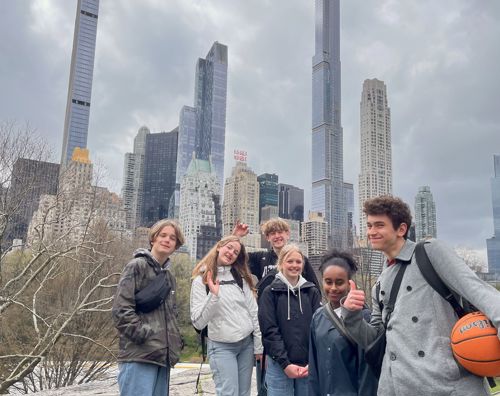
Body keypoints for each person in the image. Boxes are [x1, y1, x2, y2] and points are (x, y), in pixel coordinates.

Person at [342, 195, 500, 396]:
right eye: (369, 225)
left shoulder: (429, 252)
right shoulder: (379, 283)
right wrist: (351, 315)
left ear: (401, 229)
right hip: (395, 388)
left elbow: (478, 291)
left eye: (379, 225)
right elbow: (374, 339)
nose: (371, 232)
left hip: (445, 386)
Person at [112, 219, 185, 396]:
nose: (167, 240)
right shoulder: (137, 266)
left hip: (162, 358)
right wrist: (143, 334)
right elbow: (121, 309)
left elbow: (171, 316)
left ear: (176, 245)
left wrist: (175, 343)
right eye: (163, 235)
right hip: (139, 354)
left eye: (172, 238)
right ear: (153, 239)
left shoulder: (169, 277)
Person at [190, 235, 263, 396]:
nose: (231, 253)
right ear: (219, 246)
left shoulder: (240, 278)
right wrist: (213, 296)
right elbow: (198, 323)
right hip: (221, 347)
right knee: (228, 393)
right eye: (229, 247)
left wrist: (258, 345)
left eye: (236, 252)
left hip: (246, 345)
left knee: (244, 393)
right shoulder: (200, 280)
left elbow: (254, 312)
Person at [308, 250, 378, 396]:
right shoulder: (318, 317)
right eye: (328, 282)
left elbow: (367, 373)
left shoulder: (363, 318)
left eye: (339, 282)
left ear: (349, 283)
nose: (333, 288)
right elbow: (314, 368)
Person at [258, 244, 321, 396]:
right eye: (290, 261)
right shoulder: (269, 292)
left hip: (307, 365)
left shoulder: (311, 291)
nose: (294, 265)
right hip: (279, 364)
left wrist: (312, 362)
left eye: (298, 262)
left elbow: (318, 329)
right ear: (281, 264)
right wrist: (285, 363)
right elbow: (269, 331)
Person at [233, 218, 319, 288]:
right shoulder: (260, 258)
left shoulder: (300, 260)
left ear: (287, 234)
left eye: (280, 232)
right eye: (273, 233)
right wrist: (236, 236)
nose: (277, 236)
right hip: (268, 306)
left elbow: (314, 288)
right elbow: (235, 257)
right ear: (267, 237)